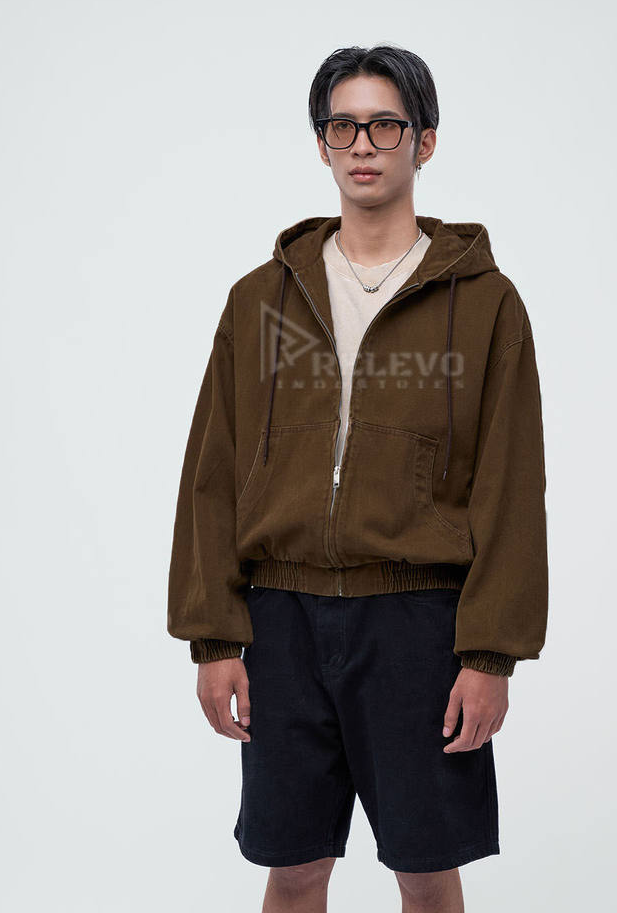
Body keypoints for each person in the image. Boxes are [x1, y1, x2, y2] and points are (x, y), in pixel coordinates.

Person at [167, 44, 548, 912]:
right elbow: (211, 472)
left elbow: (511, 485)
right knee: (294, 866)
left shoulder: (486, 304)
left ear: (425, 141)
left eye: (385, 125)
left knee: (426, 867)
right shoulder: (259, 300)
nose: (363, 144)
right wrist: (214, 638)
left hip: (417, 627)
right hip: (282, 624)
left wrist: (490, 653)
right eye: (343, 126)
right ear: (322, 144)